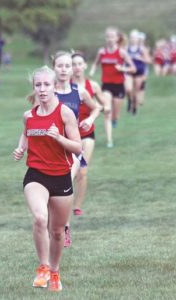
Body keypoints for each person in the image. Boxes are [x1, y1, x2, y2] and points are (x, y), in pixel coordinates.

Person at [13, 66, 82, 292]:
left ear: (54, 87)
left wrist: (59, 137)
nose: (42, 89)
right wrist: (20, 148)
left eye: (46, 85)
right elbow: (26, 131)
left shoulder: (64, 113)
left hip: (61, 176)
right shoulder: (28, 115)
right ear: (34, 88)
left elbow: (78, 147)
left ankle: (54, 271)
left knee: (57, 231)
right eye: (38, 85)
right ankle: (42, 267)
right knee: (40, 218)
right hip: (36, 174)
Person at [51, 51, 101, 247]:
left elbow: (96, 107)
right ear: (54, 68)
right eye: (60, 66)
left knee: (66, 183)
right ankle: (56, 223)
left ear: (73, 70)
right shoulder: (48, 91)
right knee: (54, 191)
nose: (64, 70)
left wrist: (89, 119)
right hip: (52, 148)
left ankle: (65, 227)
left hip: (73, 147)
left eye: (68, 66)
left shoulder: (79, 91)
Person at [71, 51, 110, 216]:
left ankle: (77, 206)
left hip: (87, 134)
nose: (77, 67)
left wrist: (105, 108)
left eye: (80, 64)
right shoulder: (65, 86)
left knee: (82, 170)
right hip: (69, 136)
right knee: (68, 172)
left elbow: (104, 103)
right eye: (74, 64)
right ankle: (61, 201)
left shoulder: (92, 86)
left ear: (85, 66)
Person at [89, 26, 135, 133]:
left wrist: (122, 68)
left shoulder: (121, 52)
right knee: (107, 110)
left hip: (119, 86)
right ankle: (109, 127)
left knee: (115, 114)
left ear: (117, 38)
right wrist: (92, 71)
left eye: (112, 37)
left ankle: (115, 119)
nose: (110, 39)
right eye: (108, 37)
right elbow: (95, 64)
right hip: (106, 85)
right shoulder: (101, 52)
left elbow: (133, 68)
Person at [126, 29, 152, 114]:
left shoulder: (142, 49)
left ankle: (134, 107)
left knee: (136, 91)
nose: (133, 39)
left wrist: (140, 58)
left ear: (138, 39)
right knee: (128, 89)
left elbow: (149, 60)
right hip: (129, 72)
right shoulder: (126, 48)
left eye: (135, 38)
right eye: (132, 37)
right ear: (130, 39)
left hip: (139, 72)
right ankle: (129, 100)